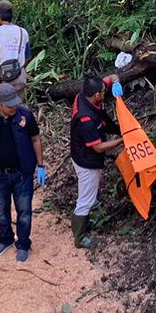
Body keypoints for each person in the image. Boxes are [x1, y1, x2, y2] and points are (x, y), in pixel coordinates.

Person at [0, 83, 46, 262]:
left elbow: (35, 139)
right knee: (1, 211)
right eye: (10, 104)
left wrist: (41, 165)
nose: (14, 107)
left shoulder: (25, 115)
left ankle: (23, 244)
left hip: (22, 173)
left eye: (15, 103)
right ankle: (5, 239)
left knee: (24, 211)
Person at [68, 74, 125, 250]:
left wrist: (115, 82)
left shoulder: (84, 94)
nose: (104, 93)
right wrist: (121, 140)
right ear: (95, 95)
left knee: (88, 196)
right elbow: (99, 148)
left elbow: (112, 77)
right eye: (103, 92)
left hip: (80, 154)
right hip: (87, 160)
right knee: (86, 199)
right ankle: (80, 237)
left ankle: (83, 222)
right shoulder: (85, 119)